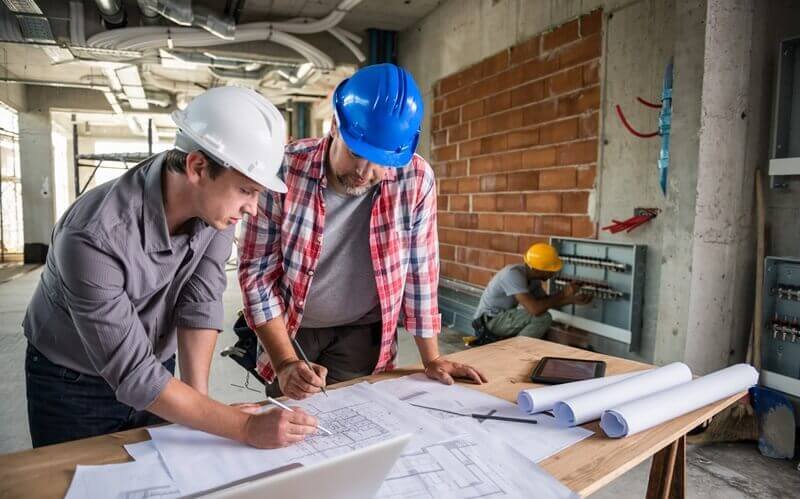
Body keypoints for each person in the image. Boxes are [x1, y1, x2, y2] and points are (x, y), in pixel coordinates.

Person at [23, 86, 319, 448]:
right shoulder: (92, 237)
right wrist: (242, 427)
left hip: (156, 366)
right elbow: (135, 376)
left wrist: (202, 409)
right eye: (246, 190)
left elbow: (200, 302)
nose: (253, 209)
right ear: (197, 166)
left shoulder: (214, 213)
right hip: (73, 382)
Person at [238, 63, 487, 400]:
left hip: (362, 330)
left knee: (354, 422)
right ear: (334, 127)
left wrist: (432, 357)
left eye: (380, 161)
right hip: (294, 327)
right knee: (290, 424)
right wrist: (284, 362)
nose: (363, 172)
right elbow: (257, 274)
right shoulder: (283, 170)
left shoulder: (415, 179)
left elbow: (421, 272)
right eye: (355, 153)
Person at [468, 243, 592, 345]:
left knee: (542, 317)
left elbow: (544, 302)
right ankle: (515, 353)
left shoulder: (533, 279)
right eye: (550, 271)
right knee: (544, 318)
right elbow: (535, 309)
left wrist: (571, 299)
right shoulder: (513, 274)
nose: (553, 275)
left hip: (500, 319)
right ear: (536, 269)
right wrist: (563, 293)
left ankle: (514, 347)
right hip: (487, 323)